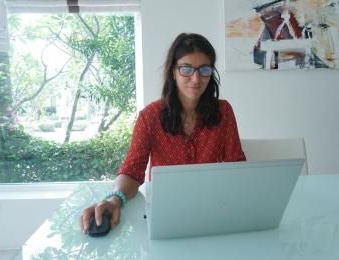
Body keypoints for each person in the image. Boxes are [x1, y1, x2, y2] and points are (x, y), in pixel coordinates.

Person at [80, 32, 246, 234]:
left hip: (212, 212)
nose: (196, 79)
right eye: (186, 69)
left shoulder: (224, 112)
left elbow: (236, 168)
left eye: (204, 69)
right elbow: (132, 172)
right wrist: (115, 199)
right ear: (172, 72)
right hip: (164, 216)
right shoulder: (149, 117)